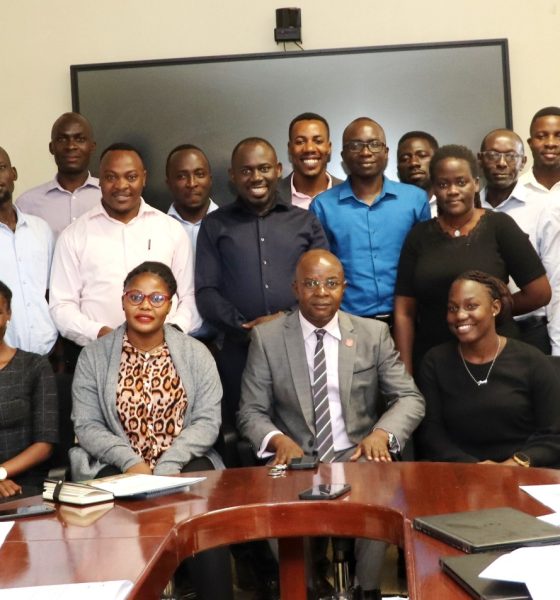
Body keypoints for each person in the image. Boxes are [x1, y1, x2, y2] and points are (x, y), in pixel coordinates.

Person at [238, 249, 425, 600]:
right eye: (310, 283)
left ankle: (366, 590)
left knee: (380, 495)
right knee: (272, 508)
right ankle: (304, 588)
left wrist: (381, 434)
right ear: (295, 288)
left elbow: (409, 398)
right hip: (297, 459)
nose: (321, 292)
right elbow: (250, 411)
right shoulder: (269, 338)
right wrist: (278, 440)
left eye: (330, 283)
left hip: (357, 454)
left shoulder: (373, 333)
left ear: (344, 288)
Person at [70, 261, 232, 599]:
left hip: (184, 460)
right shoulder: (93, 356)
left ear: (170, 303)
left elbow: (207, 421)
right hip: (116, 465)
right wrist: (131, 463)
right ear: (123, 300)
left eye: (157, 298)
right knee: (112, 532)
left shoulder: (196, 353)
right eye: (136, 296)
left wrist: (168, 466)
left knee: (208, 525)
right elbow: (87, 425)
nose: (146, 305)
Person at [196, 137, 327, 428]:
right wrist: (246, 328)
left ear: (278, 169)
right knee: (244, 434)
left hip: (301, 347)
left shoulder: (305, 222)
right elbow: (206, 291)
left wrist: (284, 319)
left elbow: (323, 286)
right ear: (232, 175)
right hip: (238, 352)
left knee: (303, 431)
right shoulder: (215, 224)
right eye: (246, 170)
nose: (256, 177)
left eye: (264, 168)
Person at [394, 144, 550, 375]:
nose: (453, 191)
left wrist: (487, 312)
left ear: (476, 184)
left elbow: (539, 292)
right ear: (434, 189)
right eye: (443, 184)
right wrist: (404, 375)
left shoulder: (500, 226)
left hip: (495, 355)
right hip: (434, 359)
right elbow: (404, 311)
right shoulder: (418, 236)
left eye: (461, 182)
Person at [50, 143, 201, 351]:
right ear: (99, 179)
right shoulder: (73, 236)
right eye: (111, 177)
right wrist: (100, 334)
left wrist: (171, 332)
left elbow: (190, 296)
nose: (121, 186)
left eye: (131, 177)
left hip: (167, 354)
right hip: (99, 353)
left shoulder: (171, 230)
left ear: (144, 178)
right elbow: (61, 306)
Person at [416, 271, 560, 467]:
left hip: (524, 473)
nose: (460, 315)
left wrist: (514, 464)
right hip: (460, 474)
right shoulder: (435, 362)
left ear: (495, 307)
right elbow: (431, 434)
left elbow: (553, 435)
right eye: (452, 308)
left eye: (471, 306)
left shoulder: (531, 361)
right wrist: (476, 469)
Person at [310, 117, 430, 325]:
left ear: (386, 152)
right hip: (350, 324)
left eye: (374, 144)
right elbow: (321, 273)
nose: (366, 152)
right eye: (356, 145)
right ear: (343, 155)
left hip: (410, 322)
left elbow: (427, 264)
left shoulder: (415, 200)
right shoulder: (322, 206)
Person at [478, 128, 550, 353]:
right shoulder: (468, 209)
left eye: (511, 156)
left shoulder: (544, 207)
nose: (501, 163)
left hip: (530, 331)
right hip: (478, 332)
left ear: (523, 161)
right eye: (493, 155)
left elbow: (556, 281)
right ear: (480, 160)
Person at [0, 281, 58, 499]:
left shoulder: (34, 366)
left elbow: (45, 444)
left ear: (9, 314)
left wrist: (0, 473)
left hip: (24, 485)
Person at [0, 146, 57, 355]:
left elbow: (52, 292)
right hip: (3, 359)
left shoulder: (41, 229)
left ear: (13, 173)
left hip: (48, 352)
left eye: (1, 168)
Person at [16, 112, 100, 238]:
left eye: (80, 139)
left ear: (92, 147)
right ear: (51, 148)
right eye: (62, 139)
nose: (71, 146)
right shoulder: (27, 204)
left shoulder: (110, 195)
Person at [166, 144, 219, 342]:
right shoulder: (156, 229)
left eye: (199, 174)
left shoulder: (231, 226)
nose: (192, 183)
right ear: (168, 183)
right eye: (181, 176)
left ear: (210, 179)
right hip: (175, 339)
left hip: (225, 340)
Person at [277, 112, 343, 209]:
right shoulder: (272, 196)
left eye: (318, 141)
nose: (309, 149)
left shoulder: (350, 194)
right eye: (300, 142)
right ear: (290, 148)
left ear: (329, 148)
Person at [397, 130, 439, 216]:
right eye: (404, 158)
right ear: (398, 170)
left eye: (422, 155)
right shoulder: (388, 209)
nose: (413, 163)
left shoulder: (453, 205)